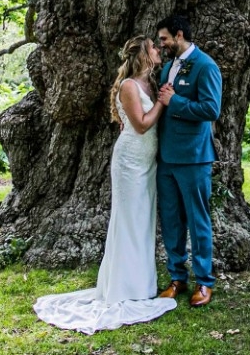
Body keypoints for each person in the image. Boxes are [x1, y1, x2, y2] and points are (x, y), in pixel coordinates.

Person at [34, 35, 177, 334]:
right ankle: (125, 288)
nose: (159, 49)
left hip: (147, 162)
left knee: (143, 220)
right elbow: (140, 125)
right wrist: (163, 103)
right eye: (154, 47)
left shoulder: (148, 84)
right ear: (143, 54)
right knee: (128, 221)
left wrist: (160, 98)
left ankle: (141, 283)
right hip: (129, 162)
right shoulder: (128, 86)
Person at [156, 15, 222, 308]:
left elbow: (211, 109)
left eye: (164, 39)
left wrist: (177, 102)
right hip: (165, 157)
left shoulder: (206, 66)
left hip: (194, 157)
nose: (161, 44)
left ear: (179, 34)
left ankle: (205, 282)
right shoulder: (168, 68)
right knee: (171, 220)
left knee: (197, 221)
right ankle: (177, 277)